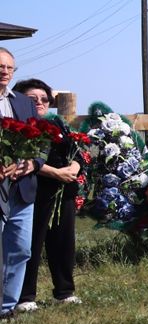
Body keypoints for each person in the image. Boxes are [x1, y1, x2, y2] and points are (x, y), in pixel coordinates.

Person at [14, 78, 82, 307]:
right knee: (30, 245)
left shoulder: (59, 125)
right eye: (33, 99)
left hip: (63, 193)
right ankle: (25, 296)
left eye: (44, 99)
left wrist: (74, 167)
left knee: (63, 243)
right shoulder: (18, 126)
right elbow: (25, 160)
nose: (40, 103)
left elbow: (77, 151)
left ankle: (65, 291)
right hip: (34, 192)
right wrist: (55, 173)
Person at [0, 47, 43, 320]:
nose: (4, 71)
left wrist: (33, 163)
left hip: (22, 190)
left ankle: (5, 309)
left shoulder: (24, 103)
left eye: (8, 68)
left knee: (20, 249)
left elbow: (42, 143)